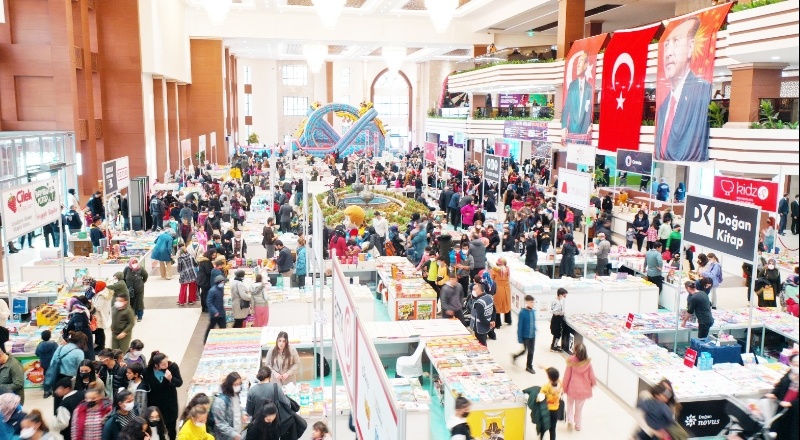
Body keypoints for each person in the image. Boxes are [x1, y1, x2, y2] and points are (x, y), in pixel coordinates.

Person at [655, 16, 713, 161]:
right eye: (666, 44)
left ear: (690, 47)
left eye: (676, 42)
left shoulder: (702, 92)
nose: (668, 53)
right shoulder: (662, 108)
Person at [145, 351, 183, 440]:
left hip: (170, 404)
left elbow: (179, 383)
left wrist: (171, 379)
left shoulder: (173, 367)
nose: (166, 365)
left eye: (166, 362)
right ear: (156, 365)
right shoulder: (147, 372)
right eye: (163, 364)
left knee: (171, 429)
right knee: (159, 430)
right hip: (156, 406)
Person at [561, 50, 593, 144]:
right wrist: (563, 126)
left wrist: (590, 124)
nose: (578, 65)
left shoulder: (589, 87)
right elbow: (566, 107)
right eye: (577, 62)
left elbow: (589, 109)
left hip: (584, 131)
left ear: (586, 65)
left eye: (581, 61)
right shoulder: (572, 85)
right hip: (572, 130)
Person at [562, 343, 596, 432]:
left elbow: (567, 376)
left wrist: (564, 387)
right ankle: (578, 425)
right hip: (583, 390)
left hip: (571, 389)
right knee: (579, 408)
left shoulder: (571, 361)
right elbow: (592, 376)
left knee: (569, 405)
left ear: (576, 351)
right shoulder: (588, 364)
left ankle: (570, 419)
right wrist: (592, 384)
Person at [766, 353, 799, 440]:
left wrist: (791, 403)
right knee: (780, 429)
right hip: (783, 406)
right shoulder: (790, 372)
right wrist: (774, 393)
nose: (796, 367)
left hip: (795, 411)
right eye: (794, 364)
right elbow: (781, 383)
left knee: (792, 432)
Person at [211, 372, 246, 440]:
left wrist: (243, 413)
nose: (238, 386)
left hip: (236, 433)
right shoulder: (220, 401)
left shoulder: (235, 394)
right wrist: (233, 434)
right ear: (229, 385)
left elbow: (238, 407)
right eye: (235, 384)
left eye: (239, 384)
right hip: (226, 436)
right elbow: (220, 423)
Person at [513, 295, 537, 374]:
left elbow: (533, 322)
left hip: (532, 335)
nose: (532, 304)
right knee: (525, 350)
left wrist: (535, 329)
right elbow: (520, 326)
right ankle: (516, 357)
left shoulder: (533, 311)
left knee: (531, 351)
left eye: (533, 302)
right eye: (530, 302)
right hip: (525, 336)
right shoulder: (522, 313)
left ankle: (529, 366)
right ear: (526, 302)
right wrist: (519, 338)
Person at [539, 367, 563, 440]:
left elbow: (540, 397)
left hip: (546, 409)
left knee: (543, 425)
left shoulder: (546, 387)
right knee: (552, 429)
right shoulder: (560, 383)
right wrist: (544, 367)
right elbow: (553, 373)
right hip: (555, 410)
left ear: (549, 377)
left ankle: (541, 437)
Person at [205, 275, 228, 342]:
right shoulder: (212, 291)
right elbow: (209, 302)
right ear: (219, 282)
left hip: (221, 312)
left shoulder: (221, 289)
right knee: (211, 327)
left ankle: (223, 340)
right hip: (214, 314)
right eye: (223, 282)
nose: (223, 284)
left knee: (223, 327)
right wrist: (215, 311)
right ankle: (206, 340)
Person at [491, 257, 512, 326]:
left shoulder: (494, 270)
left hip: (498, 288)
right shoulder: (507, 269)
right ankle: (508, 320)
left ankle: (497, 323)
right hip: (506, 288)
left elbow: (492, 279)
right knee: (507, 304)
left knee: (497, 305)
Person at [549, 288, 568, 352]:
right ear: (560, 295)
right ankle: (554, 347)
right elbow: (554, 312)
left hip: (555, 319)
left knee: (557, 333)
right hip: (557, 320)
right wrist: (561, 313)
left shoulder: (555, 301)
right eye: (564, 296)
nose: (565, 297)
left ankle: (554, 345)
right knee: (557, 333)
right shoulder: (557, 303)